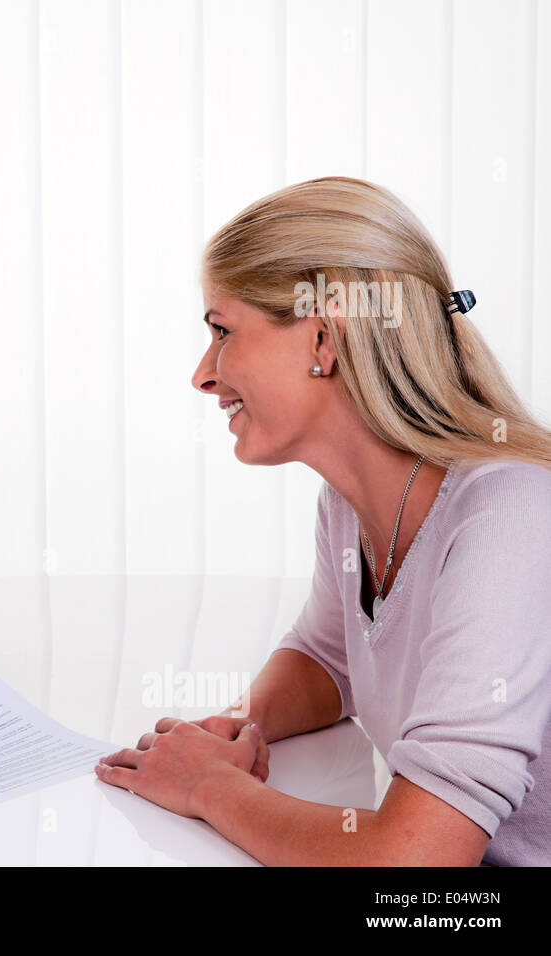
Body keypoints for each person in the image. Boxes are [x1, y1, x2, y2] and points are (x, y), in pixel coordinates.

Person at [94, 176, 551, 866]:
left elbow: (417, 863)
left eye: (222, 331)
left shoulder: (509, 517)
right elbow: (328, 658)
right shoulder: (349, 506)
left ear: (322, 340)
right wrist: (239, 725)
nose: (203, 375)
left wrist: (211, 788)